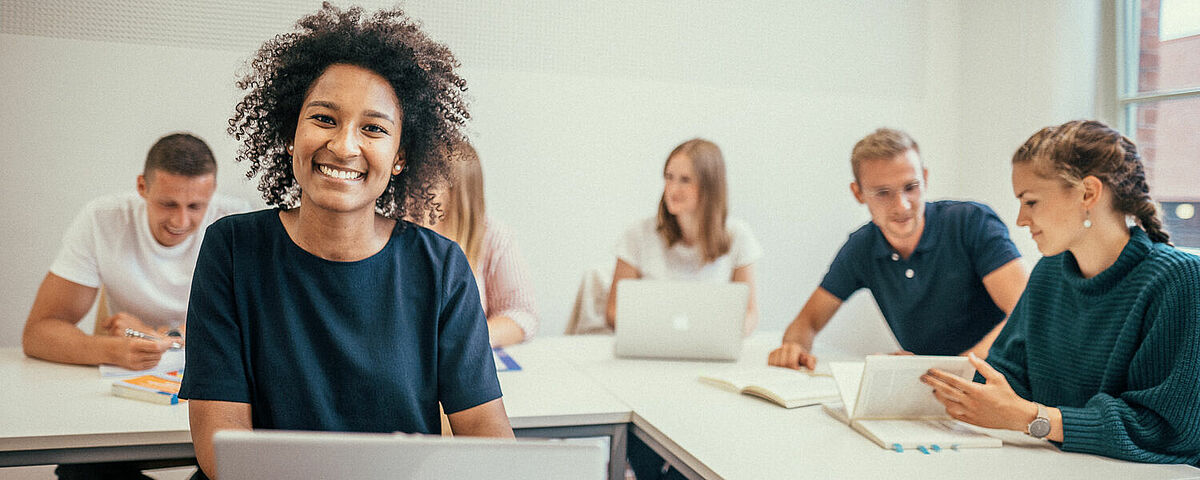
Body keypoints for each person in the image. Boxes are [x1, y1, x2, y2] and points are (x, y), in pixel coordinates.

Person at [179, 5, 513, 478]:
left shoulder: (439, 266)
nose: (344, 145)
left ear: (399, 157)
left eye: (373, 128)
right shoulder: (232, 249)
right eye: (324, 118)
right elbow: (221, 447)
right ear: (290, 135)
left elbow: (484, 429)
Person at [923, 120, 1200, 465]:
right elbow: (1007, 378)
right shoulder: (1049, 273)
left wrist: (1032, 419)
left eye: (1031, 201)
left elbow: (1167, 430)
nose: (1021, 219)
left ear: (1088, 193)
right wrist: (921, 380)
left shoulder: (1179, 279)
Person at [768, 128, 1028, 370]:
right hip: (934, 389)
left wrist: (954, 371)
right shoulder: (861, 247)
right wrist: (794, 347)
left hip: (997, 379)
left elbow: (1025, 310)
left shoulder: (971, 223)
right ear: (858, 193)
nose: (902, 205)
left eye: (910, 187)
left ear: (925, 178)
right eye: (882, 193)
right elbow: (806, 323)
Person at [23, 132, 248, 371]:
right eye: (168, 204)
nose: (180, 221)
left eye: (195, 206)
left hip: (211, 375)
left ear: (212, 191)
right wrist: (115, 351)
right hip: (127, 377)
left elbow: (253, 327)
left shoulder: (237, 222)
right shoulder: (103, 219)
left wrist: (160, 336)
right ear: (142, 187)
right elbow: (38, 334)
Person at [605, 138, 762, 335]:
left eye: (685, 180)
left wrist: (726, 335)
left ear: (709, 186)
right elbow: (613, 311)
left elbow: (749, 314)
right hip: (651, 347)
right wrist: (652, 332)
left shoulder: (738, 235)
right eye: (669, 177)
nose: (672, 189)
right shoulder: (638, 234)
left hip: (709, 349)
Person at [415, 143, 539, 347]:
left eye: (427, 179)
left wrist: (467, 341)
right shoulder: (396, 233)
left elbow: (523, 314)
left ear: (457, 189)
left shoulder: (494, 237)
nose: (414, 188)